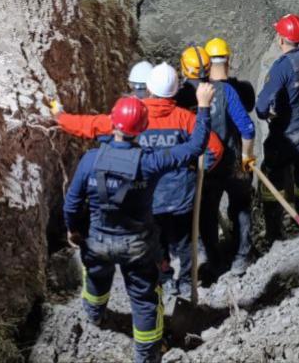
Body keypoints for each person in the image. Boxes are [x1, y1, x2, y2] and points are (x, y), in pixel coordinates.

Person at [62, 88, 216, 363]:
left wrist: (73, 229)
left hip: (98, 242)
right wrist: (203, 107)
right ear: (143, 128)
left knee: (96, 281)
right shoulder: (150, 162)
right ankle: (146, 356)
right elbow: (196, 147)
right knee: (144, 300)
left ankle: (95, 316)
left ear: (113, 123)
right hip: (137, 246)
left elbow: (72, 203)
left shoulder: (90, 161)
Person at [56, 64, 224, 301]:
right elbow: (214, 149)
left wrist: (61, 118)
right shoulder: (186, 118)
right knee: (185, 241)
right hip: (180, 198)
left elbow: (90, 125)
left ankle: (163, 279)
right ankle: (185, 282)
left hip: (146, 199)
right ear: (175, 91)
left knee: (155, 241)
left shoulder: (134, 115)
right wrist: (195, 171)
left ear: (147, 88)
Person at [189, 39, 257, 275]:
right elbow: (247, 129)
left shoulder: (193, 94)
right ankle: (242, 257)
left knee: (207, 212)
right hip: (234, 163)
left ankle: (213, 260)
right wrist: (247, 157)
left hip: (207, 166)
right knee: (240, 207)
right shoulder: (226, 91)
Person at [256, 14, 299, 237]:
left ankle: (274, 231)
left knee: (272, 175)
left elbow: (262, 106)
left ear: (281, 39)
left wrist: (267, 113)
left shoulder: (282, 67)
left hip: (288, 131)